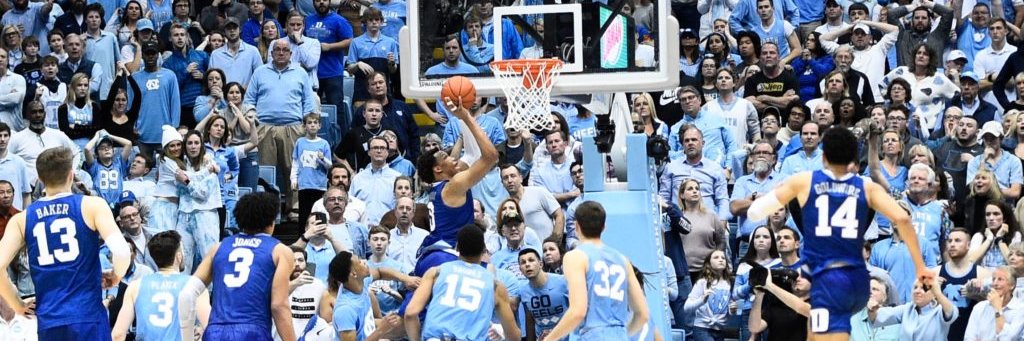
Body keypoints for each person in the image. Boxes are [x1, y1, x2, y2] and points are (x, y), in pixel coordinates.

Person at [747, 126, 930, 340]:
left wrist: (777, 192)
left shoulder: (804, 181)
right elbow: (903, 219)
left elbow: (754, 213)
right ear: (853, 160)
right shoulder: (866, 186)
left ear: (823, 157)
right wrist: (921, 267)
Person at [0, 147, 131, 338]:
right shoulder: (91, 205)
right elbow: (122, 251)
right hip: (87, 315)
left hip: (49, 319)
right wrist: (117, 275)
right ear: (72, 174)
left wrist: (16, 304)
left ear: (40, 178)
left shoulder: (22, 218)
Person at [191, 192, 297, 340]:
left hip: (216, 331)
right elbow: (278, 305)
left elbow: (190, 291)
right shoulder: (280, 251)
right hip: (252, 330)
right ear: (272, 221)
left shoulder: (218, 248)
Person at [543, 201, 649, 340]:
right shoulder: (622, 259)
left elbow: (578, 311)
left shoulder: (576, 256)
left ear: (576, 226)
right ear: (604, 227)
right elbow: (642, 314)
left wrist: (549, 339)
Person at [403, 225, 521, 341]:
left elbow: (410, 313)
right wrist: (501, 330)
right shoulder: (495, 285)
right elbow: (514, 337)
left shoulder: (436, 272)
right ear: (484, 250)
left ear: (457, 247)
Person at [110, 230, 207, 341]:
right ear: (178, 257)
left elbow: (118, 335)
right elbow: (211, 328)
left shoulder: (135, 286)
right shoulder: (194, 286)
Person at [132, 40, 181, 157]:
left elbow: (175, 102)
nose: (150, 56)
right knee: (142, 172)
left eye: (153, 53)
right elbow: (131, 105)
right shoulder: (134, 78)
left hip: (165, 134)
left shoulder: (169, 76)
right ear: (142, 55)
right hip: (141, 134)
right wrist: (132, 126)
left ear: (158, 54)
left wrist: (174, 127)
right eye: (147, 53)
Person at [867, 277, 958, 340]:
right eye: (915, 287)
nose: (917, 291)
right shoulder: (907, 308)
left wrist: (938, 293)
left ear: (934, 293)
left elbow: (952, 313)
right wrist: (872, 310)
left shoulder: (939, 311)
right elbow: (879, 317)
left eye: (923, 288)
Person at [515, 248, 569, 340]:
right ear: (520, 269)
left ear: (541, 264)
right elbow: (530, 322)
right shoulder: (523, 291)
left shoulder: (563, 282)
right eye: (523, 262)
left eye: (531, 260)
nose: (527, 264)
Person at [684, 250, 734, 341]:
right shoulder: (702, 282)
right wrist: (702, 299)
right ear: (709, 263)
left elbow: (729, 310)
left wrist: (732, 310)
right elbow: (686, 307)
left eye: (723, 258)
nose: (721, 260)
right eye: (716, 257)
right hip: (702, 329)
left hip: (720, 329)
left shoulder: (730, 283)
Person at [292, 112, 331, 229]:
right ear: (304, 126)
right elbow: (296, 162)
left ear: (319, 126)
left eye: (315, 123)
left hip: (319, 185)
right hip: (304, 185)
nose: (312, 125)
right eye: (309, 123)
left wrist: (322, 158)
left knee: (319, 213)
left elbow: (329, 166)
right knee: (304, 215)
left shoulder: (324, 144)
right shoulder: (300, 142)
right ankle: (302, 238)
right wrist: (293, 179)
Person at [83, 131, 133, 209]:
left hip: (118, 204)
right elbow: (87, 149)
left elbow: (128, 144)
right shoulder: (94, 166)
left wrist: (109, 135)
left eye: (109, 147)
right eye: (102, 148)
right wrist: (97, 136)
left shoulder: (119, 163)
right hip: (100, 204)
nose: (106, 149)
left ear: (113, 151)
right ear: (97, 154)